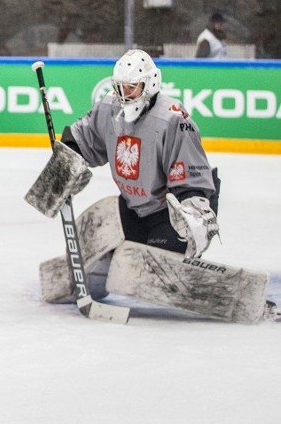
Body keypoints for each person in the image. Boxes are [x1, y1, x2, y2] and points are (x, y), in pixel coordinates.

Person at [27, 49, 276, 323]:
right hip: (134, 208)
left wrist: (194, 216)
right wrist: (65, 165)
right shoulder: (110, 108)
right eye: (120, 87)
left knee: (133, 269)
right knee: (93, 223)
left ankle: (234, 295)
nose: (124, 95)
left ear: (150, 84)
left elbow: (193, 179)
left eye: (131, 88)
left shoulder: (173, 120)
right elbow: (82, 137)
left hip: (170, 216)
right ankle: (96, 272)